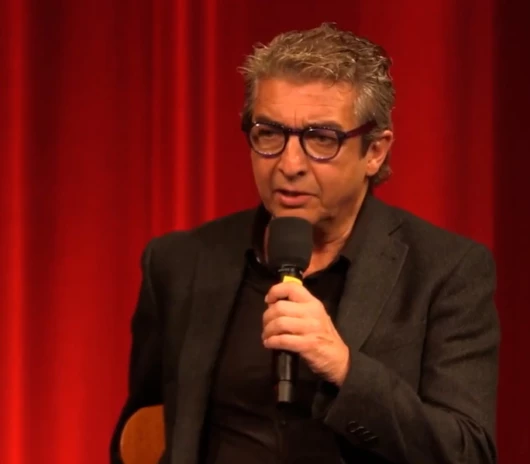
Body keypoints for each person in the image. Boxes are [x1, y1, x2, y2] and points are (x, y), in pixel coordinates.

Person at [110, 22, 500, 464]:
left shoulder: (446, 271)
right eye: (269, 134)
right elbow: (142, 429)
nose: (289, 164)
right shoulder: (180, 263)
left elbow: (468, 452)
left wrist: (346, 368)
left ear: (374, 151)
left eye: (321, 139)